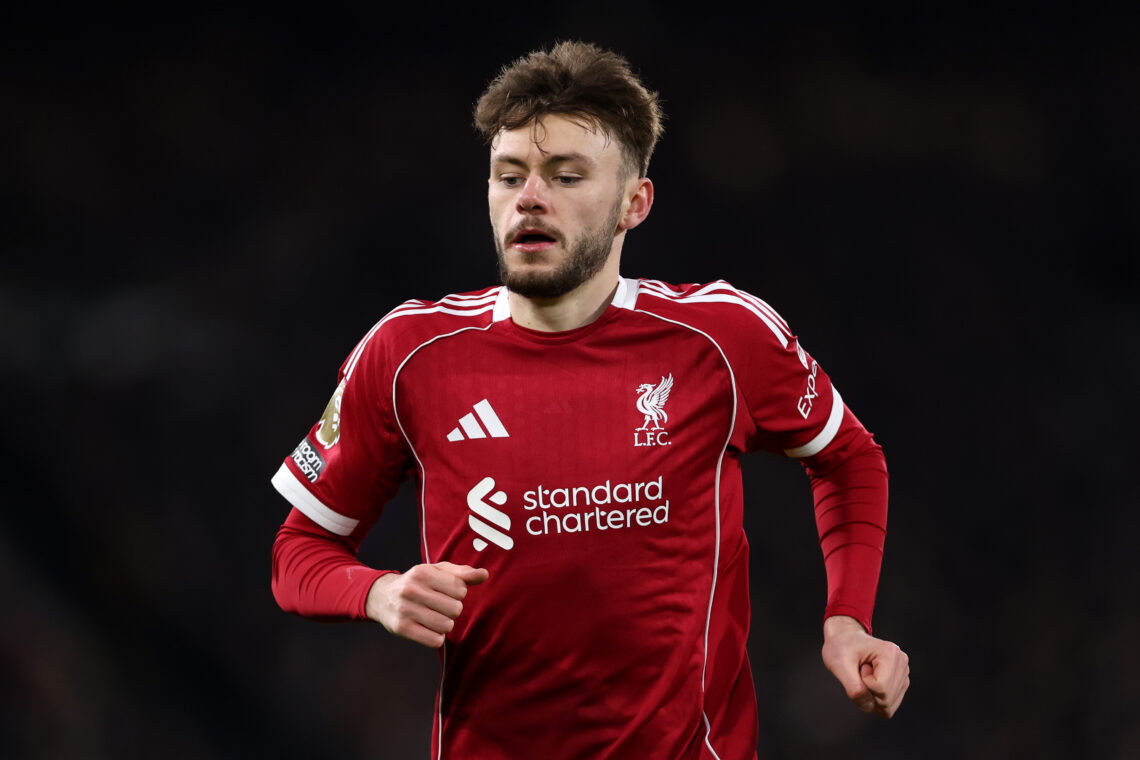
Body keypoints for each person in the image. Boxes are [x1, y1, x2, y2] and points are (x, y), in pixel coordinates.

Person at [270, 41, 909, 759]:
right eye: (508, 176)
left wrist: (847, 619)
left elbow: (849, 456)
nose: (530, 197)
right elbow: (300, 554)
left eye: (566, 175)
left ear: (634, 202)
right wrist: (378, 594)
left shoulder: (723, 338)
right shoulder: (407, 354)